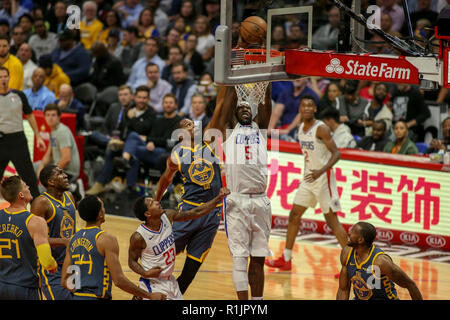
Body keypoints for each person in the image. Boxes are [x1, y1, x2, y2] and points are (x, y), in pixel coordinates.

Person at [207, 78, 273, 299]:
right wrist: (232, 79)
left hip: (261, 202)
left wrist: (267, 75)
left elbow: (266, 98)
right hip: (237, 201)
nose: (245, 110)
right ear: (236, 113)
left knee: (259, 258)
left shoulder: (260, 128)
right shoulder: (228, 130)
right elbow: (225, 107)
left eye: (248, 108)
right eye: (241, 108)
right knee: (240, 258)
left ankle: (258, 302)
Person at [265, 95, 348, 270]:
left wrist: (320, 171)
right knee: (294, 215)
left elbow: (337, 154)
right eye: (304, 106)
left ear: (315, 109)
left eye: (311, 105)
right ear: (300, 109)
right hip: (309, 179)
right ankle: (286, 259)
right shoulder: (301, 128)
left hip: (323, 179)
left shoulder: (321, 129)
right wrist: (310, 173)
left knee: (333, 222)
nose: (307, 108)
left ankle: (352, 266)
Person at [154, 117, 224, 294]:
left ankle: (173, 298)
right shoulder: (176, 155)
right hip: (188, 213)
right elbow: (166, 178)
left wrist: (226, 90)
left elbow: (220, 110)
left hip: (211, 214)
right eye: (187, 125)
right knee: (161, 263)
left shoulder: (210, 142)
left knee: (189, 272)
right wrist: (157, 199)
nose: (193, 126)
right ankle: (141, 296)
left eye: (193, 123)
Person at [129, 187, 230, 300]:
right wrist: (145, 273)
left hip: (170, 282)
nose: (157, 202)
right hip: (153, 283)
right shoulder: (139, 237)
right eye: (152, 203)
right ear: (147, 214)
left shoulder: (167, 216)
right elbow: (131, 261)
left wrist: (218, 198)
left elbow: (195, 212)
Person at [61, 195, 166, 300]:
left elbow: (65, 281)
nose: (104, 209)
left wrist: (81, 294)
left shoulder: (72, 240)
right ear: (100, 214)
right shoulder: (106, 239)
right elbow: (119, 280)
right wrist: (149, 295)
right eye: (102, 206)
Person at [0, 176, 57, 300]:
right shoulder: (35, 222)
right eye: (26, 186)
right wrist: (52, 265)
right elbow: (46, 260)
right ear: (21, 194)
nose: (29, 187)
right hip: (25, 288)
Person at [336, 221, 423, 300]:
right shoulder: (346, 253)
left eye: (353, 231)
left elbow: (410, 285)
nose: (349, 232)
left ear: (360, 240)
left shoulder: (380, 262)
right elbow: (343, 289)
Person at [30, 165, 77, 300]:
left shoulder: (69, 197)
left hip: (71, 264)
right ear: (51, 182)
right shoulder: (41, 203)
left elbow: (70, 230)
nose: (66, 175)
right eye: (60, 173)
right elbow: (34, 239)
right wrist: (64, 241)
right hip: (52, 267)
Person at [0, 66, 45, 198]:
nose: (3, 79)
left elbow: (30, 115)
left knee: (29, 177)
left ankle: (37, 209)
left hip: (18, 141)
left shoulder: (19, 95)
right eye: (0, 77)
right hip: (1, 140)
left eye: (5, 76)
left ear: (9, 78)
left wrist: (38, 136)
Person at [37, 104, 80, 183]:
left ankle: (74, 187)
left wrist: (51, 174)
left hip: (68, 172)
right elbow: (48, 155)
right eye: (48, 115)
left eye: (53, 115)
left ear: (59, 117)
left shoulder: (62, 132)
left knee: (42, 191)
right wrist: (41, 166)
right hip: (57, 167)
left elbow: (66, 159)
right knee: (32, 167)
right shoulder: (53, 131)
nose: (50, 118)